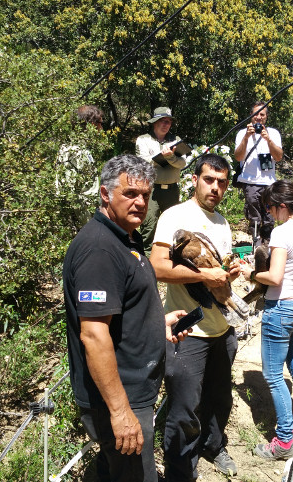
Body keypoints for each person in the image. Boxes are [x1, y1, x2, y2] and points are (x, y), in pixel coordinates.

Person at [63, 154, 191, 482]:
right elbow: (93, 335)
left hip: (134, 391)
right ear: (105, 194)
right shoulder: (100, 250)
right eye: (130, 194)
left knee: (114, 472)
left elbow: (119, 314)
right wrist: (121, 413)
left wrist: (156, 326)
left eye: (145, 195)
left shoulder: (125, 239)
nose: (140, 203)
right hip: (121, 398)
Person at [149, 154, 241, 481]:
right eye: (209, 180)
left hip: (223, 328)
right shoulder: (176, 216)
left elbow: (219, 269)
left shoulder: (223, 222)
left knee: (218, 399)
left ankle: (214, 447)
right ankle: (180, 473)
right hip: (188, 331)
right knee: (184, 409)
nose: (215, 187)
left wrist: (230, 271)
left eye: (222, 182)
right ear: (194, 180)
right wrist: (204, 277)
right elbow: (158, 267)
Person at [239, 180, 293, 460]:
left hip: (282, 308)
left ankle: (283, 441)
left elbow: (274, 277)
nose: (270, 213)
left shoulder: (282, 233)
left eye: (270, 208)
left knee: (273, 377)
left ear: (282, 206)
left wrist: (249, 273)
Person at [136, 106, 187, 256]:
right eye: (163, 121)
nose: (166, 125)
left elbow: (182, 163)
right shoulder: (143, 140)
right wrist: (164, 157)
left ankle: (169, 258)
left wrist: (170, 157)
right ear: (154, 122)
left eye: (169, 122)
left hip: (172, 190)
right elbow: (142, 163)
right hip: (150, 190)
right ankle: (146, 259)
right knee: (149, 225)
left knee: (172, 225)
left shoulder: (176, 140)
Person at [233, 101, 283, 245]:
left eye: (262, 114)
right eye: (256, 114)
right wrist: (246, 138)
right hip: (250, 182)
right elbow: (238, 156)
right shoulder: (242, 133)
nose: (259, 117)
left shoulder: (273, 133)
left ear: (266, 117)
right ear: (251, 115)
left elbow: (278, 157)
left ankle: (267, 244)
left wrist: (268, 140)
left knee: (269, 215)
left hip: (269, 183)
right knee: (253, 217)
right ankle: (256, 244)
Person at [56, 104, 104, 227]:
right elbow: (68, 191)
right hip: (81, 218)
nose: (101, 129)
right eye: (100, 123)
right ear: (91, 124)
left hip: (89, 213)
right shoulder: (72, 151)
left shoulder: (83, 149)